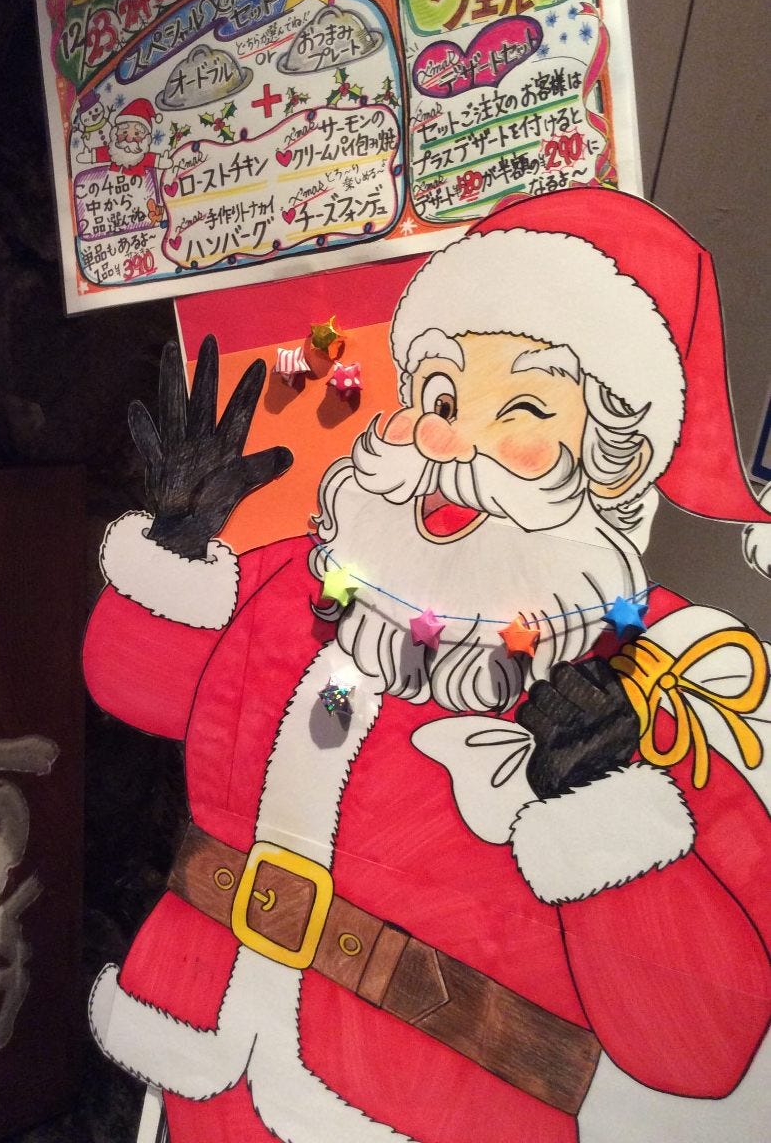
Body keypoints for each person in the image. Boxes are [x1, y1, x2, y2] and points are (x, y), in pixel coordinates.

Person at [83, 189, 771, 1143]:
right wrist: (178, 545)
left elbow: (700, 1046)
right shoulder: (320, 578)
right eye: (440, 397)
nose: (450, 442)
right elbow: (138, 686)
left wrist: (603, 809)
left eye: (520, 406)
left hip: (421, 1113)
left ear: (612, 461)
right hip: (197, 1052)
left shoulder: (650, 678)